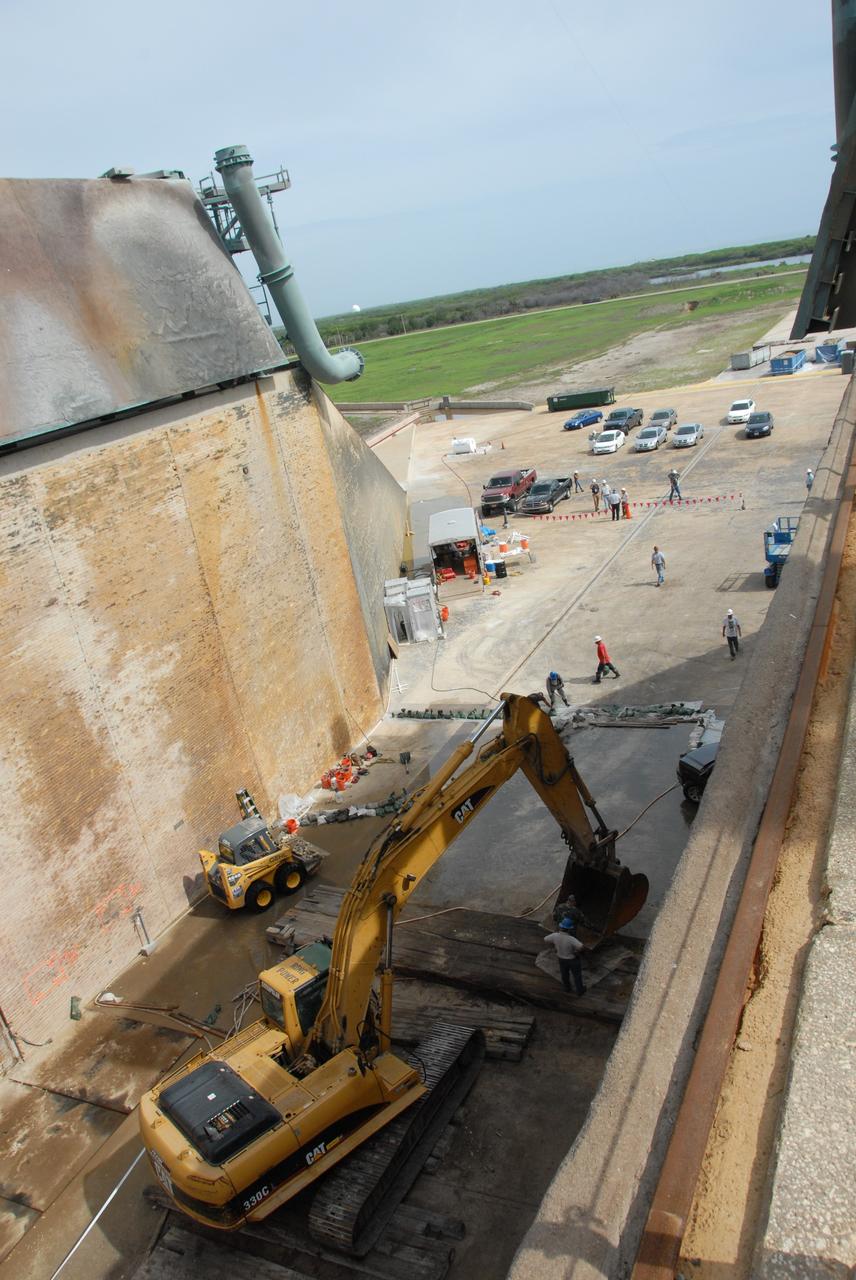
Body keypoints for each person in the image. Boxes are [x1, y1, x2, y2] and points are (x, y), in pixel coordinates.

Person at [543, 916, 586, 995]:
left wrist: (554, 947)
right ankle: (580, 991)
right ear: (569, 929)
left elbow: (545, 939)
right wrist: (576, 952)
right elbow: (581, 947)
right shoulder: (571, 939)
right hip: (572, 960)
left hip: (561, 959)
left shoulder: (554, 936)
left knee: (564, 974)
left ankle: (567, 988)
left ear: (561, 926)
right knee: (577, 975)